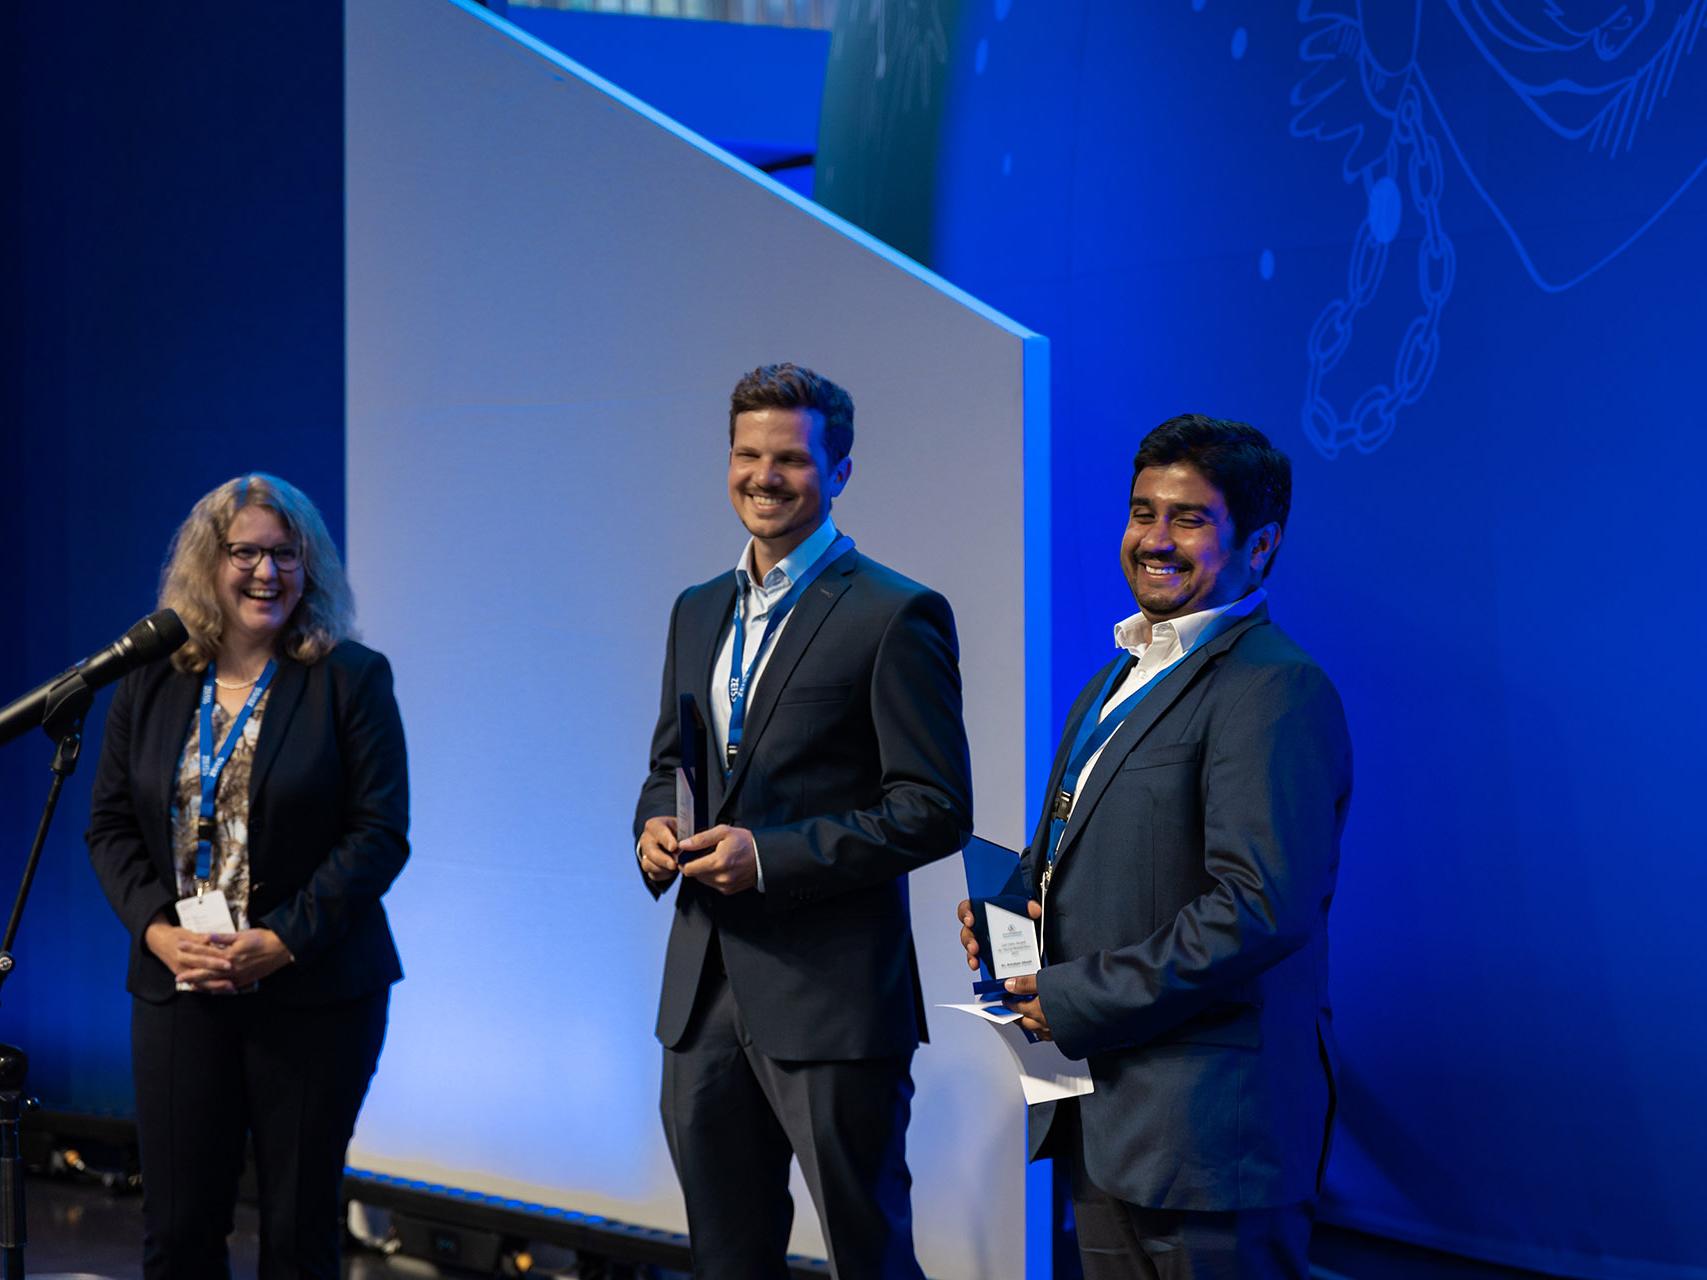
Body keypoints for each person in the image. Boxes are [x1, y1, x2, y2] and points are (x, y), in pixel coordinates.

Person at [960, 415, 1352, 1279]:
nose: (1155, 541)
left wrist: (1070, 997)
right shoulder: (1116, 675)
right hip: (1108, 1122)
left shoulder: (1275, 689)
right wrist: (1010, 911)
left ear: (1261, 545)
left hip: (1210, 1142)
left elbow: (1256, 909)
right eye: (1143, 512)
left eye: (1189, 518)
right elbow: (1075, 847)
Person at [634, 363, 973, 1279]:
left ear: (840, 470)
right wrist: (654, 829)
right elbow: (674, 762)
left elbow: (934, 809)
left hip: (832, 1004)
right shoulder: (697, 608)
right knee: (726, 1259)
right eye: (747, 455)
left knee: (868, 1255)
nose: (763, 476)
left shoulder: (893, 613)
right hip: (701, 995)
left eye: (789, 458)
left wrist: (771, 858)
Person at [87, 473, 409, 1279]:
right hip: (180, 987)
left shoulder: (351, 679)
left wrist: (282, 940)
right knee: (179, 1231)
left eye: (285, 554)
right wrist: (158, 932)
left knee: (298, 1237)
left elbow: (379, 837)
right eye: (246, 553)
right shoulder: (151, 677)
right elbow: (110, 826)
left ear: (310, 567)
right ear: (209, 562)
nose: (266, 573)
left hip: (313, 993)